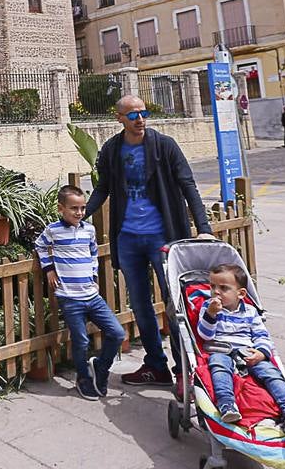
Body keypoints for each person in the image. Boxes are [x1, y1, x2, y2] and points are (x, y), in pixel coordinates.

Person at [85, 95, 213, 391]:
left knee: (176, 304)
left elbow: (187, 184)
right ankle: (156, 365)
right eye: (133, 115)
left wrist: (203, 228)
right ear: (119, 118)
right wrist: (79, 215)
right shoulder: (112, 150)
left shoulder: (164, 145)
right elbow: (102, 188)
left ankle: (185, 370)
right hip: (128, 239)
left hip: (163, 239)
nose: (140, 119)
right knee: (141, 305)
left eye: (144, 113)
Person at [198, 263, 285, 437]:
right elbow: (204, 335)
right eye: (212, 286)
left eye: (223, 288)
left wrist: (261, 353)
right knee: (218, 367)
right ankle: (226, 404)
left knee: (272, 374)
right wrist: (211, 315)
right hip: (221, 349)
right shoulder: (208, 307)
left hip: (248, 351)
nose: (216, 292)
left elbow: (262, 336)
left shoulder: (250, 312)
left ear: (241, 293)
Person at [36, 185, 126, 401]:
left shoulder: (89, 230)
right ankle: (83, 379)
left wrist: (94, 278)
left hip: (92, 296)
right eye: (74, 208)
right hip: (70, 298)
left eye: (83, 208)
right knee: (81, 341)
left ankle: (101, 369)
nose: (79, 212)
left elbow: (93, 254)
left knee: (117, 333)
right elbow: (40, 246)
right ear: (61, 208)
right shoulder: (53, 230)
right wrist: (48, 269)